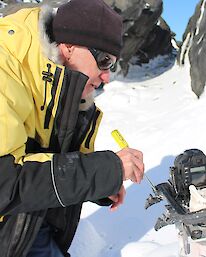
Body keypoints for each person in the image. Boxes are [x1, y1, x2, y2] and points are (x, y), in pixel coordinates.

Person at [0, 0, 145, 256]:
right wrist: (101, 170)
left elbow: (51, 158)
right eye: (104, 61)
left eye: (111, 64)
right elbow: (5, 182)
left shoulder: (59, 80)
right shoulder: (5, 69)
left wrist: (100, 180)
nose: (107, 76)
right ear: (69, 46)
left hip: (29, 224)